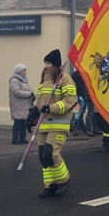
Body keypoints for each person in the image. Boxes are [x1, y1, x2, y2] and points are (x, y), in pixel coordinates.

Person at [30, 49, 76, 198]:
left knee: (51, 153)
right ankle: (50, 185)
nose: (46, 66)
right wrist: (34, 111)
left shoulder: (65, 79)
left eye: (49, 63)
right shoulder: (44, 80)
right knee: (43, 157)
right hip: (43, 125)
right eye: (45, 62)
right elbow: (40, 101)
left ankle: (64, 180)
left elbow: (70, 100)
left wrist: (52, 108)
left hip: (59, 124)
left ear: (56, 65)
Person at [9, 64, 32, 145]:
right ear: (19, 71)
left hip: (25, 105)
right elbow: (16, 92)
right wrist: (29, 94)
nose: (25, 72)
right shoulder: (14, 80)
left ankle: (23, 138)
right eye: (24, 70)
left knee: (24, 122)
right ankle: (15, 139)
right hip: (17, 104)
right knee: (18, 122)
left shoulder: (24, 80)